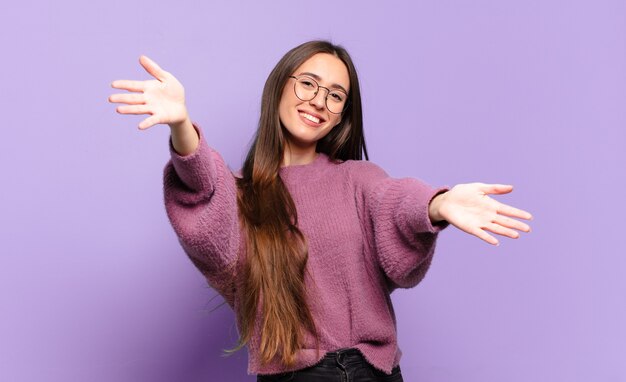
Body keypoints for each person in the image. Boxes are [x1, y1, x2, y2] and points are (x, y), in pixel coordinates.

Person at [109, 40, 532, 382]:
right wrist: (182, 127)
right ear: (280, 86)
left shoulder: (358, 178)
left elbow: (395, 199)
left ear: (341, 117)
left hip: (376, 371)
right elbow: (205, 191)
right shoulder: (239, 195)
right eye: (308, 84)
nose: (319, 101)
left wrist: (437, 204)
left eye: (335, 96)